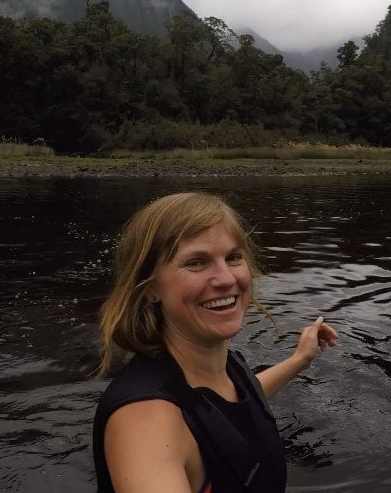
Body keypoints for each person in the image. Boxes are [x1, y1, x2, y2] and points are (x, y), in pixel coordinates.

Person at [93, 192, 338, 493]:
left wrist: (300, 358)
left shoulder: (223, 366)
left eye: (233, 257)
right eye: (196, 262)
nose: (225, 279)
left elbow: (235, 400)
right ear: (149, 288)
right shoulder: (146, 423)